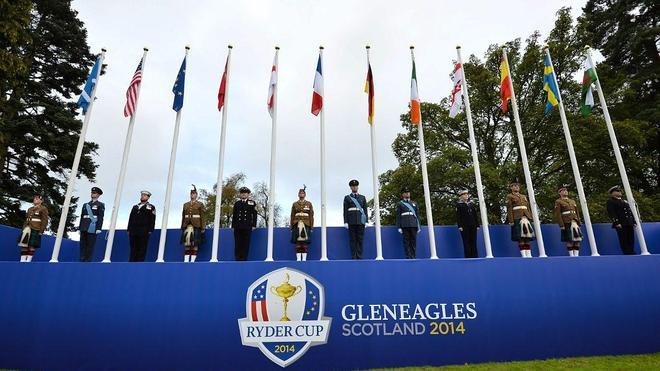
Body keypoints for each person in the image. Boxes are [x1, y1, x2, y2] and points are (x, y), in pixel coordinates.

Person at [506, 179, 535, 258]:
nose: (516, 187)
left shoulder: (523, 196)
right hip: (517, 218)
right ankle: (523, 254)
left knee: (528, 237)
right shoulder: (510, 196)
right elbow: (509, 209)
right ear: (511, 187)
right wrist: (511, 220)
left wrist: (530, 217)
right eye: (514, 186)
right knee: (520, 237)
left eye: (517, 186)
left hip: (526, 217)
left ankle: (529, 254)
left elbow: (528, 207)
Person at [17, 193, 49, 262]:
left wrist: (41, 231)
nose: (35, 200)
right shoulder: (30, 209)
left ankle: (28, 260)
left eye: (37, 199)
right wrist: (23, 228)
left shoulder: (43, 209)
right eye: (34, 198)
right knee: (23, 244)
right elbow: (27, 219)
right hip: (27, 228)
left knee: (32, 245)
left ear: (41, 200)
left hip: (36, 228)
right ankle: (22, 260)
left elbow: (44, 221)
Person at [553, 184, 583, 257]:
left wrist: (578, 221)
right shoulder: (558, 201)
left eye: (566, 190)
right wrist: (561, 225)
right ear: (559, 193)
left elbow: (577, 212)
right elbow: (558, 214)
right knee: (569, 239)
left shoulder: (572, 201)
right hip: (566, 222)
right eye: (563, 190)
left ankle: (576, 255)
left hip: (574, 221)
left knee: (577, 239)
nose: (565, 192)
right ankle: (571, 255)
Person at [127, 190, 156, 262]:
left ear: (148, 197)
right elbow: (131, 218)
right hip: (133, 230)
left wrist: (150, 230)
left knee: (142, 247)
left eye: (145, 195)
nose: (142, 196)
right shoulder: (135, 207)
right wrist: (129, 228)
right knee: (133, 247)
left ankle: (139, 262)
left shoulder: (150, 207)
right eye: (142, 195)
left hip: (144, 230)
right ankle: (132, 261)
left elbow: (152, 219)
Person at [606, 185, 636, 255]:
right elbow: (612, 212)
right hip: (621, 223)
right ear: (612, 193)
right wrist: (616, 222)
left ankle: (631, 250)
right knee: (623, 238)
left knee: (631, 238)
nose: (620, 192)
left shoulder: (624, 201)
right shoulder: (611, 201)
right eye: (617, 191)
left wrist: (633, 221)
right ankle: (627, 251)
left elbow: (629, 212)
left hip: (628, 223)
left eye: (619, 191)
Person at [343, 179, 368, 259]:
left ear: (358, 187)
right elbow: (345, 210)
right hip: (351, 221)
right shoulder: (347, 198)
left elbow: (365, 210)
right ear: (350, 187)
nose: (354, 187)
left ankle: (359, 256)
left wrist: (366, 221)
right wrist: (346, 222)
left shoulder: (362, 198)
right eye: (353, 186)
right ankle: (354, 256)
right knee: (353, 240)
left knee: (360, 239)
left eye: (356, 186)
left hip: (361, 221)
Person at [79, 187, 105, 262]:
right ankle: (82, 259)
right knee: (82, 244)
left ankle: (87, 260)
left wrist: (98, 228)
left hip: (92, 226)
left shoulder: (100, 205)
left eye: (94, 193)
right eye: (92, 193)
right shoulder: (85, 205)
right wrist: (80, 227)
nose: (92, 194)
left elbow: (100, 217)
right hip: (84, 226)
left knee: (90, 244)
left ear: (98, 195)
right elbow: (82, 216)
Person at [232, 187, 257, 261]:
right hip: (238, 227)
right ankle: (237, 258)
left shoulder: (252, 203)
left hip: (247, 226)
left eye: (245, 193)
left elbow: (254, 214)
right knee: (238, 243)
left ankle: (244, 259)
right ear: (240, 194)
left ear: (248, 194)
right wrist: (233, 226)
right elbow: (234, 215)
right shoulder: (237, 203)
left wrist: (254, 225)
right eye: (242, 193)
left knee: (245, 244)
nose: (243, 194)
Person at [181, 185, 205, 262]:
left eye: (194, 194)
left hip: (196, 225)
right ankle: (186, 260)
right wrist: (182, 225)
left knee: (195, 243)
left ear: (196, 195)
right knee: (187, 243)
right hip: (187, 225)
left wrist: (203, 227)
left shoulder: (200, 204)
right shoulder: (186, 204)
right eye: (191, 194)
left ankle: (192, 261)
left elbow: (203, 216)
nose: (192, 195)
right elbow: (183, 215)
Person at [290, 186, 314, 261]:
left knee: (305, 242)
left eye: (303, 193)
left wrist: (311, 226)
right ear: (298, 194)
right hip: (296, 223)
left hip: (306, 223)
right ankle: (298, 258)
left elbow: (311, 215)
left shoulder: (309, 204)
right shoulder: (295, 204)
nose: (301, 194)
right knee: (298, 242)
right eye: (300, 193)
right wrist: (291, 226)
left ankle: (304, 258)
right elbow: (292, 215)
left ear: (305, 195)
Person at [396, 187, 420, 259]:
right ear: (403, 194)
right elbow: (398, 216)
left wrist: (419, 226)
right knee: (406, 242)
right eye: (405, 192)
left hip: (413, 225)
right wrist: (399, 227)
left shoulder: (414, 203)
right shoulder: (400, 204)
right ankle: (408, 257)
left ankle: (413, 256)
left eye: (408, 192)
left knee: (413, 242)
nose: (407, 193)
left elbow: (417, 216)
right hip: (404, 225)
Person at [456, 189, 479, 258]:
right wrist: (459, 226)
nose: (466, 196)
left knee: (473, 241)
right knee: (466, 242)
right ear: (461, 196)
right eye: (464, 194)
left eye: (467, 194)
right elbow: (458, 216)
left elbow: (475, 215)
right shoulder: (459, 205)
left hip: (473, 225)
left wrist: (477, 225)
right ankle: (468, 257)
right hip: (464, 226)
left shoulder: (471, 204)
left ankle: (475, 256)